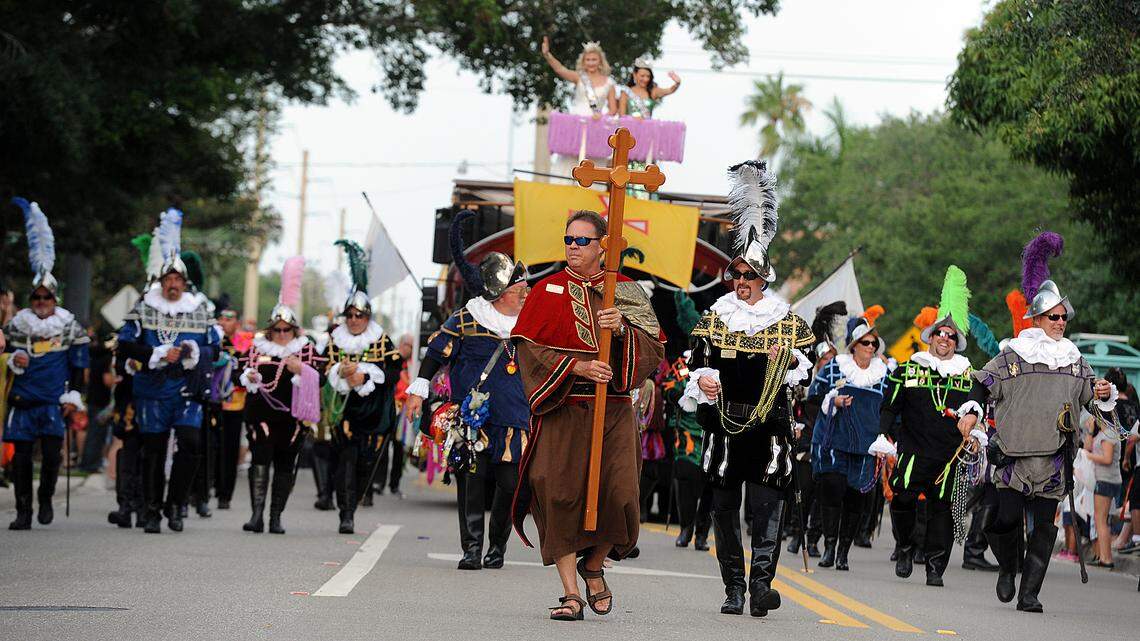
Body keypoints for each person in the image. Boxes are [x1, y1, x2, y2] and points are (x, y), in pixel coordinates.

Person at [511, 209, 665, 621]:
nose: (573, 248)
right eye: (568, 240)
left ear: (603, 247)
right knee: (558, 495)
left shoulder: (628, 292)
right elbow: (526, 348)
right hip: (563, 407)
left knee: (622, 496)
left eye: (582, 241)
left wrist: (624, 330)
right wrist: (577, 366)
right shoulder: (546, 290)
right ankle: (569, 594)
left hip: (614, 410)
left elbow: (654, 351)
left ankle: (593, 566)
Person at [682, 161, 815, 617]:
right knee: (723, 509)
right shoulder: (716, 315)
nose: (740, 283)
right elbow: (694, 360)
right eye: (736, 276)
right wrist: (702, 379)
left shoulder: (787, 321)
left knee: (766, 508)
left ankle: (761, 586)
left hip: (770, 429)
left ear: (764, 280)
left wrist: (796, 367)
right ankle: (733, 588)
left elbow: (808, 368)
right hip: (722, 426)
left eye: (748, 277)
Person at [961, 231, 1117, 613]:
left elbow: (1093, 405)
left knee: (1045, 528)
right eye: (1054, 316)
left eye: (1064, 316)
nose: (1061, 321)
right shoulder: (1014, 355)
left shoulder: (1075, 360)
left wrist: (1102, 395)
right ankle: (1008, 568)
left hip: (1053, 459)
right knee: (1004, 522)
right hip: (1013, 456)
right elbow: (981, 383)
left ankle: (1030, 593)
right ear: (1038, 317)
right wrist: (971, 412)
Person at [406, 211, 530, 569]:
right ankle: (472, 549)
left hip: (514, 415)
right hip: (472, 416)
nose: (526, 292)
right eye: (520, 288)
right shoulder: (466, 318)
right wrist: (418, 390)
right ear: (501, 292)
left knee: (509, 482)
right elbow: (435, 354)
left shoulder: (531, 322)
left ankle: (497, 547)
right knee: (471, 480)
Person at [873, 266, 986, 587]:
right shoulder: (908, 369)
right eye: (940, 334)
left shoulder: (968, 374)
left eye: (951, 336)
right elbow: (889, 405)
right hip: (912, 450)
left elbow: (978, 405)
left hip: (949, 456)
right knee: (903, 501)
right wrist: (883, 435)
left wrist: (975, 430)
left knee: (942, 512)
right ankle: (905, 547)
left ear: (956, 342)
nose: (945, 339)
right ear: (931, 336)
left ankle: (935, 567)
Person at [116, 208, 218, 533]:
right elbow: (125, 344)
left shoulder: (199, 309)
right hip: (152, 388)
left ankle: (176, 504)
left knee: (190, 444)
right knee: (154, 450)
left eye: (178, 280)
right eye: (168, 279)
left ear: (185, 283)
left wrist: (192, 351)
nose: (173, 284)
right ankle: (151, 509)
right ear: (161, 282)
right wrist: (157, 352)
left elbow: (216, 348)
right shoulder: (144, 307)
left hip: (187, 389)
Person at [4, 198, 91, 530]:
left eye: (47, 298)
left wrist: (74, 398)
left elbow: (80, 366)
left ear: (56, 300)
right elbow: (2, 358)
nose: (41, 303)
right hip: (23, 401)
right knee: (23, 460)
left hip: (54, 403)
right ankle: (23, 510)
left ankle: (45, 500)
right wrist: (12, 358)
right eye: (37, 298)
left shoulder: (69, 327)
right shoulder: (16, 326)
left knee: (53, 458)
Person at [237, 259, 325, 534]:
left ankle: (276, 516)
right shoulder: (256, 347)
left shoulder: (306, 349)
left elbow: (321, 378)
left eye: (287, 330)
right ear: (270, 330)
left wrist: (302, 370)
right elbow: (238, 370)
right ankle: (257, 514)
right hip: (261, 415)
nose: (283, 335)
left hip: (293, 418)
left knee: (286, 465)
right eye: (277, 330)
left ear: (295, 330)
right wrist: (248, 377)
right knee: (260, 460)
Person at [325, 240, 403, 534]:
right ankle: (346, 514)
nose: (355, 320)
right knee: (345, 462)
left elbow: (394, 369)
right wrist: (341, 373)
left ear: (368, 317)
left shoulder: (381, 339)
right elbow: (323, 368)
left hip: (372, 415)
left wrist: (367, 377)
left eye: (360, 315)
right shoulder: (335, 339)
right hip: (343, 413)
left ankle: (354, 501)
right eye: (350, 315)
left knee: (364, 464)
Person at [809, 306, 890, 571]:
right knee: (831, 491)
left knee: (856, 500)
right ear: (854, 345)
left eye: (873, 343)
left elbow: (891, 409)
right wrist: (833, 399)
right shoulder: (834, 367)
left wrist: (887, 438)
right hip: (835, 442)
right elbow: (813, 398)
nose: (870, 347)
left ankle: (843, 551)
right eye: (865, 342)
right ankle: (829, 546)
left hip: (865, 447)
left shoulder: (885, 375)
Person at [788, 302, 846, 558]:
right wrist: (796, 426)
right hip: (806, 439)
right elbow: (793, 405)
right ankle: (797, 533)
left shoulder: (842, 382)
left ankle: (814, 538)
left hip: (830, 440)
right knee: (805, 488)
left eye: (833, 360)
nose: (829, 364)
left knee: (826, 491)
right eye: (825, 359)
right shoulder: (806, 383)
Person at [661, 354, 712, 551]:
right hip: (687, 434)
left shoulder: (722, 360)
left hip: (712, 432)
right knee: (686, 480)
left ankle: (702, 534)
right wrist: (680, 395)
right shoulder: (683, 364)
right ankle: (686, 528)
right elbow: (668, 386)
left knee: (711, 485)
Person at [212, 303, 247, 510]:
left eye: (229, 318)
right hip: (212, 401)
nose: (224, 322)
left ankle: (225, 494)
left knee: (230, 449)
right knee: (209, 445)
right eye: (222, 318)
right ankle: (204, 489)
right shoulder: (213, 339)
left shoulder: (244, 344)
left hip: (235, 403)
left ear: (237, 322)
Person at [374, 332, 415, 500]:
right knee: (383, 446)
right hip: (391, 407)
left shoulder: (413, 366)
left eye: (412, 346)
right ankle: (379, 482)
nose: (409, 349)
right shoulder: (393, 360)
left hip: (404, 412)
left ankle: (394, 484)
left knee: (399, 449)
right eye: (406, 345)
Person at [1085, 410, 1121, 568]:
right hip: (1105, 479)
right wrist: (1090, 431)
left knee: (1101, 519)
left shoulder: (1109, 435)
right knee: (1101, 519)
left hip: (1105, 480)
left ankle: (1106, 558)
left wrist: (1088, 456)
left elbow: (1106, 459)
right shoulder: (1103, 433)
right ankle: (1104, 556)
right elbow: (1087, 447)